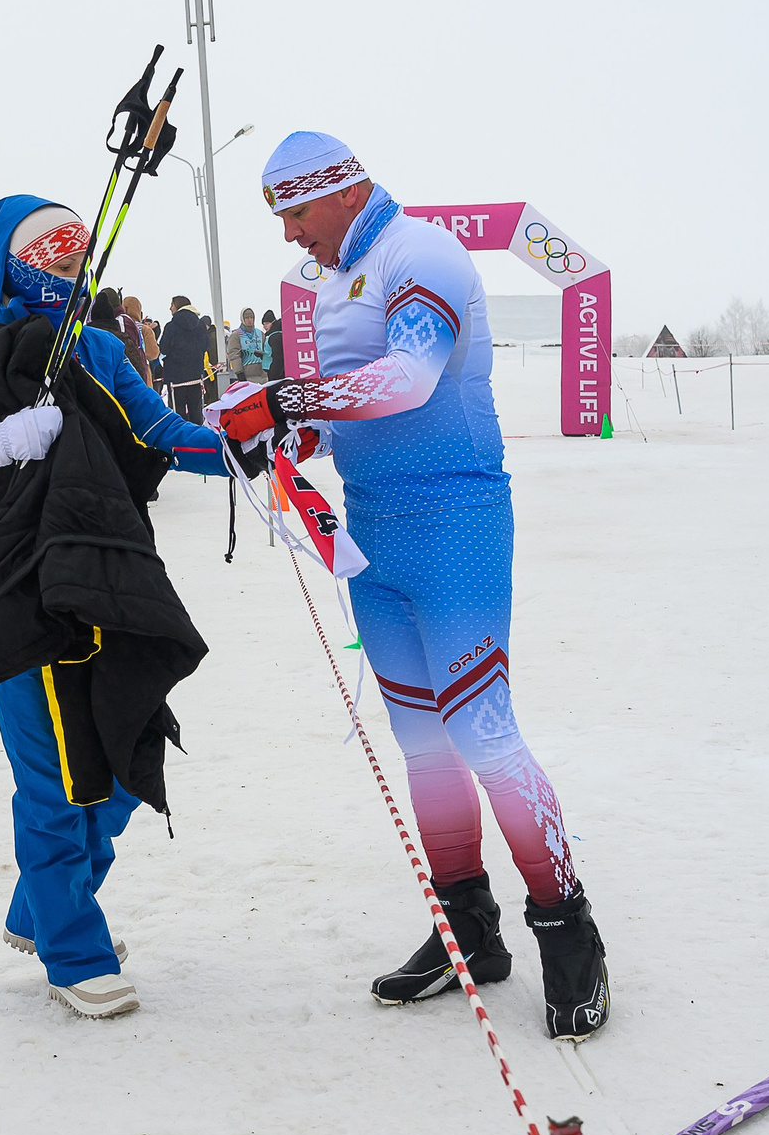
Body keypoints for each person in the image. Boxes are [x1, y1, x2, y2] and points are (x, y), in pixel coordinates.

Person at [216, 130, 608, 1039]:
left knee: (483, 733)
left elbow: (409, 379)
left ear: (344, 190)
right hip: (375, 532)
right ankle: (470, 927)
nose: (291, 235)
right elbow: (351, 410)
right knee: (423, 743)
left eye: (296, 213)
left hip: (455, 522)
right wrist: (292, 436)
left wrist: (283, 399)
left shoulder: (421, 251)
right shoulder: (334, 280)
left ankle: (568, 930)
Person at [0, 196, 226, 1021]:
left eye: (80, 258)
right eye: (56, 259)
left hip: (106, 576)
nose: (73, 273)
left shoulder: (101, 348)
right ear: (11, 267)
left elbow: (158, 432)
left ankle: (40, 906)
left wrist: (238, 445)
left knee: (121, 756)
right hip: (16, 591)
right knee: (52, 780)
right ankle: (73, 950)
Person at [157, 294, 216, 424]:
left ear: (178, 306)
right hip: (195, 376)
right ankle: (198, 436)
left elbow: (164, 349)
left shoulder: (171, 326)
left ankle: (181, 437)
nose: (170, 308)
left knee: (178, 415)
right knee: (196, 414)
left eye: (172, 305)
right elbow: (206, 345)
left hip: (176, 378)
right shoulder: (200, 325)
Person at [236, 307, 271, 383]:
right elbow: (234, 355)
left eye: (251, 317)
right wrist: (239, 373)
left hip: (263, 375)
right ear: (242, 319)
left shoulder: (260, 333)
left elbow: (266, 351)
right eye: (247, 318)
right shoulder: (237, 335)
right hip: (247, 375)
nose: (250, 320)